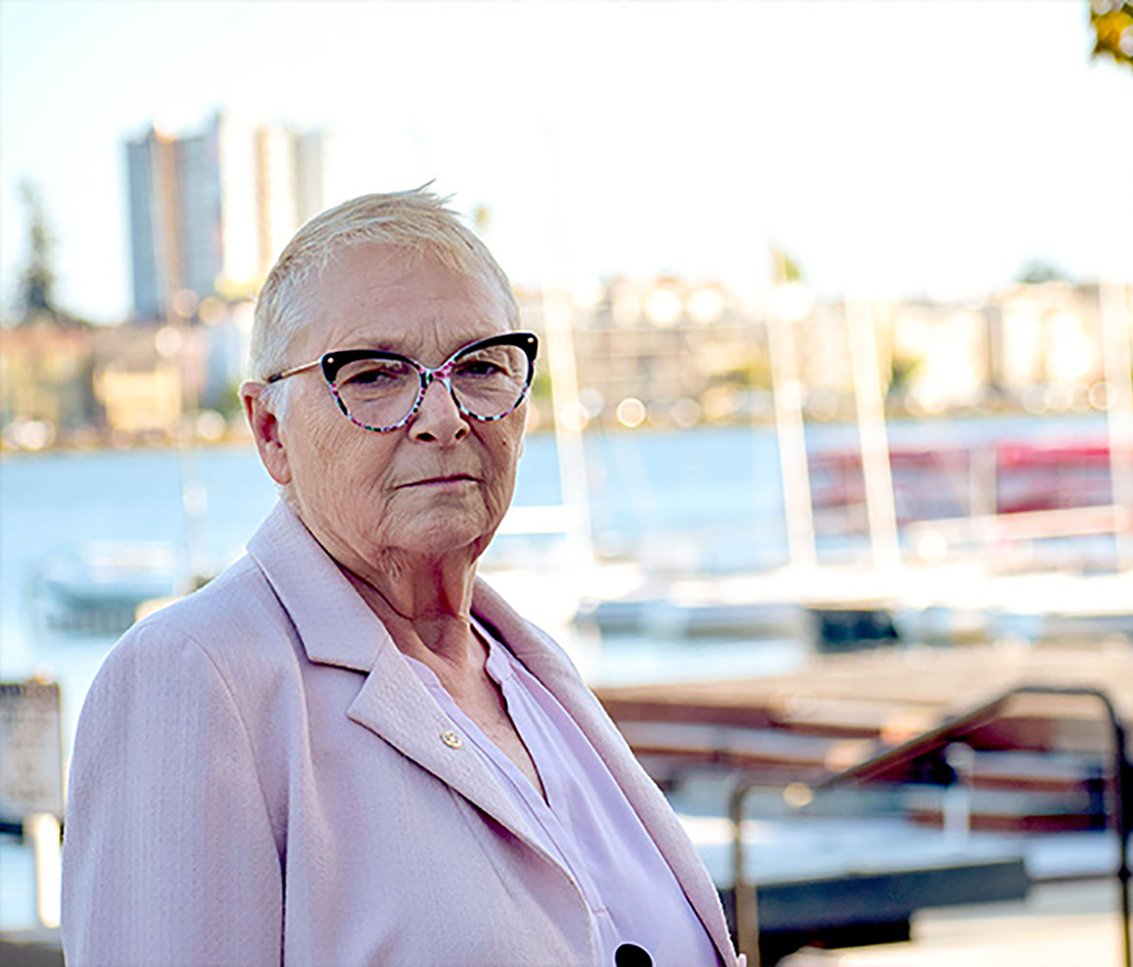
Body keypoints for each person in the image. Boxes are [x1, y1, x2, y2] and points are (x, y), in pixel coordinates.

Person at [61, 188, 741, 967]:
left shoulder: (528, 669)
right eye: (376, 374)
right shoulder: (198, 677)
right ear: (270, 430)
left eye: (481, 365)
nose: (443, 414)